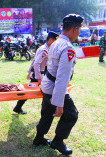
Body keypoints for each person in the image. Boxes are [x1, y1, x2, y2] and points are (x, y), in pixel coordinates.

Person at [33, 14, 84, 156]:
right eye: (79, 30)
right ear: (74, 29)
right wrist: (59, 104)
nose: (79, 33)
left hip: (47, 85)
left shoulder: (55, 42)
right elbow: (61, 79)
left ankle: (38, 138)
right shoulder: (67, 48)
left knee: (47, 113)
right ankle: (58, 141)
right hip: (55, 87)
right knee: (72, 114)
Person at [13, 31, 59, 114]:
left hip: (38, 73)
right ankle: (48, 111)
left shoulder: (44, 48)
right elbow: (36, 63)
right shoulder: (44, 50)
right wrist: (38, 78)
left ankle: (18, 107)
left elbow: (34, 61)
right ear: (51, 40)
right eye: (55, 41)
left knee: (30, 91)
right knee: (44, 92)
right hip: (39, 74)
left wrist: (30, 72)